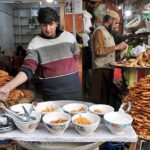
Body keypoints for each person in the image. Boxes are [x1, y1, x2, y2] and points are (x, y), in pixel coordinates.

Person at [0, 7, 82, 101]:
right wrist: (7, 87)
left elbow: (76, 57)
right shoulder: (35, 44)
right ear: (40, 25)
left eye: (51, 24)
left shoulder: (69, 37)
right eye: (44, 25)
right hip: (51, 94)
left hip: (74, 90)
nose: (48, 29)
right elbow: (28, 68)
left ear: (56, 23)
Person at [91, 10, 128, 106]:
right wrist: (117, 47)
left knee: (107, 98)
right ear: (110, 20)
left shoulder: (109, 33)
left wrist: (119, 53)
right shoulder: (99, 31)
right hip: (100, 71)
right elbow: (99, 51)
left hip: (108, 69)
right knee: (101, 99)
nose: (117, 26)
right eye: (116, 23)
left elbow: (108, 53)